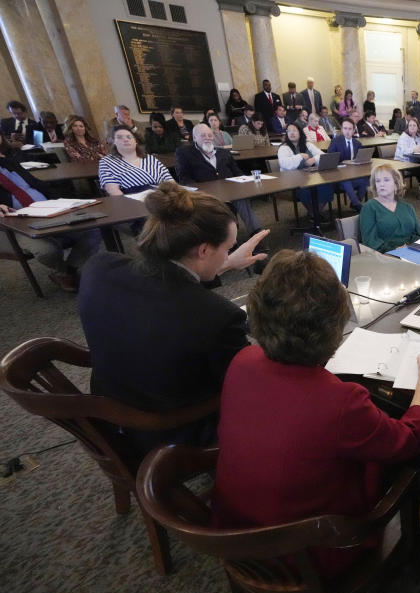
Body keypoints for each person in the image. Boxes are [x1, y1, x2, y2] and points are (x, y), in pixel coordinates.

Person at [211, 248, 420, 577]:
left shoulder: (242, 362)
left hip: (235, 533)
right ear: (334, 325)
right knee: (411, 465)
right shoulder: (340, 402)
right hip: (309, 553)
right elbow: (409, 440)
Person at [78, 182, 268, 459]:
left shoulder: (99, 268)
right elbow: (244, 385)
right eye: (227, 248)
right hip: (173, 432)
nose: (228, 254)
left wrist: (224, 263)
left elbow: (169, 288)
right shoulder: (218, 317)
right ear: (203, 251)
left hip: (110, 413)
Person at [0, 138, 101, 292]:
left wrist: (62, 202)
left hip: (48, 210)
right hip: (18, 222)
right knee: (46, 250)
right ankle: (63, 273)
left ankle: (69, 271)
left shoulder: (9, 162)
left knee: (92, 230)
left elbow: (37, 183)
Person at [175, 123, 265, 243]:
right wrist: (200, 193)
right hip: (206, 196)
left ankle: (257, 238)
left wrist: (247, 181)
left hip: (231, 192)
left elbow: (237, 172)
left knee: (243, 199)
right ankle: (230, 244)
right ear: (195, 138)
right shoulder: (184, 153)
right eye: (203, 135)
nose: (207, 138)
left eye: (209, 135)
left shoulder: (224, 153)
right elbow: (184, 178)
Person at [359, 164, 420, 253]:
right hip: (385, 256)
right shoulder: (369, 207)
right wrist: (395, 250)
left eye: (386, 180)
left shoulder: (407, 207)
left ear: (396, 183)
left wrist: (408, 247)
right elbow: (370, 241)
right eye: (378, 181)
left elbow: (419, 235)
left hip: (412, 251)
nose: (381, 184)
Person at [98, 125, 175, 197]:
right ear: (114, 142)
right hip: (132, 202)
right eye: (120, 137)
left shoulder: (150, 158)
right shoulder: (106, 162)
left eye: (129, 137)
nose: (125, 139)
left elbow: (171, 182)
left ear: (135, 141)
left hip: (162, 199)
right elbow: (113, 191)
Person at [276, 123, 335, 215]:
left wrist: (314, 159)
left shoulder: (307, 144)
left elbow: (323, 155)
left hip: (310, 177)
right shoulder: (284, 148)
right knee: (306, 189)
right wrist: (300, 156)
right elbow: (284, 164)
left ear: (300, 132)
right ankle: (315, 214)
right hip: (292, 180)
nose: (291, 133)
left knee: (326, 185)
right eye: (289, 131)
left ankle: (315, 213)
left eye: (294, 130)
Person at [327, 120, 367, 210]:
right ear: (341, 129)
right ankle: (357, 204)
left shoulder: (357, 144)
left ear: (353, 131)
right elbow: (330, 159)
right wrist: (343, 164)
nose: (347, 131)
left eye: (350, 129)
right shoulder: (335, 142)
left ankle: (355, 203)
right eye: (345, 128)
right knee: (346, 180)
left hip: (354, 174)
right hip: (339, 176)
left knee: (365, 179)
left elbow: (361, 159)